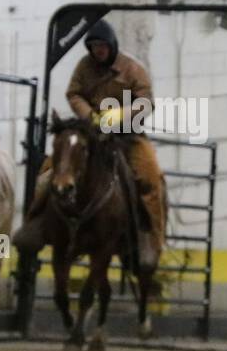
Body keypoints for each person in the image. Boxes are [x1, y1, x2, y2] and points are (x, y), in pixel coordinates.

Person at [13, 19, 165, 265]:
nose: (98, 51)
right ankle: (34, 223)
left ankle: (150, 241)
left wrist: (118, 115)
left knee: (150, 177)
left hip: (127, 135)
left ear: (112, 45)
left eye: (102, 46)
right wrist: (89, 116)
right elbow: (73, 93)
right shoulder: (84, 66)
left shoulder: (132, 69)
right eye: (93, 47)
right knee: (50, 170)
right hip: (89, 132)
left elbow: (146, 101)